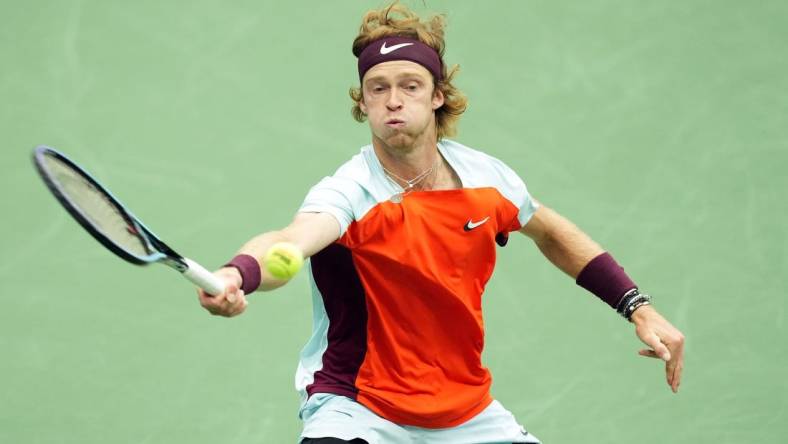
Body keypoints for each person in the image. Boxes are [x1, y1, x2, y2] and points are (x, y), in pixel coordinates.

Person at [197, 3, 685, 443]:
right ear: (362, 102)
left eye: (410, 86)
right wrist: (238, 273)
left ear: (436, 97)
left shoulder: (486, 180)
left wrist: (638, 308)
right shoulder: (348, 192)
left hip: (465, 412)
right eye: (378, 88)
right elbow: (290, 240)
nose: (393, 100)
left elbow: (553, 232)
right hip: (357, 407)